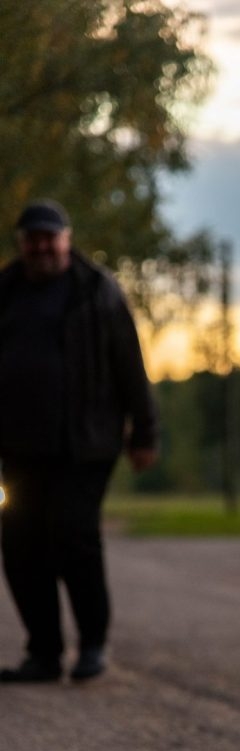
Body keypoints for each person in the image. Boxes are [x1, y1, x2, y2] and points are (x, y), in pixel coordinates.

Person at [0, 199, 158, 683]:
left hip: (85, 445)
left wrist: (144, 432)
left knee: (73, 537)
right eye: (33, 238)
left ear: (66, 239)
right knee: (21, 546)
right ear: (22, 243)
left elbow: (130, 366)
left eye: (51, 237)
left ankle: (92, 644)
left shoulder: (97, 292)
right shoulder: (5, 290)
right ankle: (43, 654)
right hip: (19, 447)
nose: (42, 246)